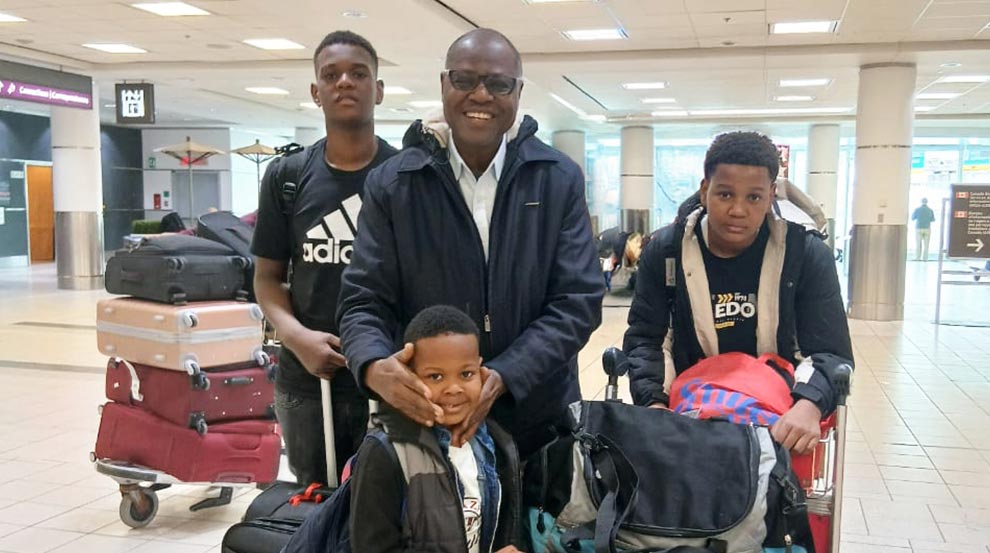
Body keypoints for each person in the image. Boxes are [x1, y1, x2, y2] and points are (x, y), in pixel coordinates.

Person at [337, 28, 604, 459]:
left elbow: (578, 300)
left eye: (498, 84)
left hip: (536, 415)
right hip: (428, 420)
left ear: (517, 93)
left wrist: (503, 374)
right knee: (432, 529)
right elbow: (362, 299)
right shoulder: (394, 183)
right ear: (444, 85)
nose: (480, 95)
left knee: (536, 526)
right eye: (464, 80)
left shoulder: (557, 178)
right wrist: (371, 364)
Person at [623, 131, 853, 455]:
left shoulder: (806, 255)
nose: (738, 210)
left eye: (754, 197)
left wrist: (809, 404)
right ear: (705, 191)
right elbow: (647, 339)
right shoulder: (665, 252)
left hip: (778, 417)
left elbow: (831, 351)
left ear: (772, 195)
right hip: (691, 417)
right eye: (725, 194)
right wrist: (654, 404)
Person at [250, 30, 399, 484]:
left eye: (359, 73)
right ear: (316, 93)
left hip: (387, 377)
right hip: (309, 379)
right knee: (314, 504)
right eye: (331, 75)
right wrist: (297, 339)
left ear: (378, 89)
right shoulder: (287, 177)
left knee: (387, 512)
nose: (345, 83)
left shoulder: (405, 176)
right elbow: (267, 279)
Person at [349, 305, 523, 553]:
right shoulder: (385, 453)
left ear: (481, 370)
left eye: (466, 373)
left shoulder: (495, 442)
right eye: (436, 377)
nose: (454, 388)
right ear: (408, 375)